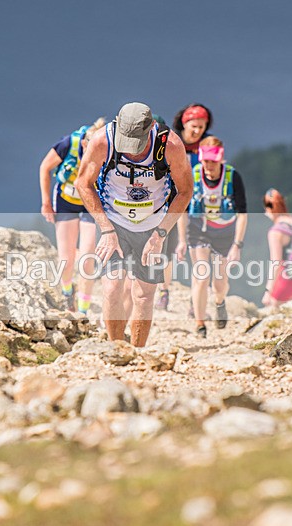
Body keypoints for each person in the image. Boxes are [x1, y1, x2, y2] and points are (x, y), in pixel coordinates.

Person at [75, 102, 193, 347]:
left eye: (137, 146)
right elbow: (83, 184)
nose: (132, 153)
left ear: (151, 128)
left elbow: (185, 191)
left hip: (154, 223)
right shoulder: (102, 141)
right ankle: (116, 348)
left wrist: (160, 235)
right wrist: (106, 229)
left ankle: (138, 352)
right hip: (114, 221)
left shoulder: (170, 145)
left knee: (143, 294)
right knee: (112, 288)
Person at [177, 136, 247, 338]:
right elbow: (182, 208)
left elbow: (242, 213)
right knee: (201, 275)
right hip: (199, 229)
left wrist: (237, 245)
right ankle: (200, 324)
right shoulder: (193, 175)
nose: (208, 165)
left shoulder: (233, 177)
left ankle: (219, 301)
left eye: (212, 161)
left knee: (220, 281)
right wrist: (182, 240)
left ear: (220, 158)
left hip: (225, 232)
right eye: (205, 160)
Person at [39, 118, 106, 314]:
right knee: (66, 257)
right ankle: (68, 293)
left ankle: (83, 311)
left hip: (90, 203)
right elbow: (45, 167)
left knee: (87, 258)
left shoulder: (108, 151)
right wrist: (46, 203)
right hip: (65, 200)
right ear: (85, 143)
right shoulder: (69, 144)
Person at [155, 103, 214, 311]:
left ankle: (195, 299)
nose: (197, 131)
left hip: (198, 205)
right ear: (184, 123)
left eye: (202, 126)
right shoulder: (172, 140)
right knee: (167, 249)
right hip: (171, 200)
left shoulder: (207, 145)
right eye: (194, 126)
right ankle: (164, 291)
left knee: (197, 252)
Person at [261, 188, 292, 307]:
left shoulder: (276, 232)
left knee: (273, 307)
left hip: (288, 279)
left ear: (270, 208)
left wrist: (268, 291)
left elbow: (276, 263)